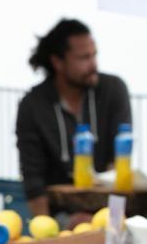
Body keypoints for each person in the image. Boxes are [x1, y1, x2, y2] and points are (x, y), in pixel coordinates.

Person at [16, 19, 132, 219]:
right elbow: (33, 181)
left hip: (108, 211)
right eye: (84, 58)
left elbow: (118, 163)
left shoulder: (113, 89)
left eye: (94, 55)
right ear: (58, 62)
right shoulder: (33, 105)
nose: (93, 64)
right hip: (59, 216)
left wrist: (108, 220)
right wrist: (51, 232)